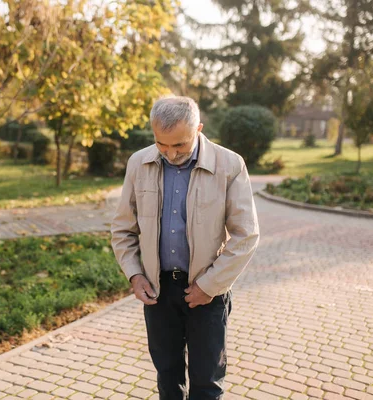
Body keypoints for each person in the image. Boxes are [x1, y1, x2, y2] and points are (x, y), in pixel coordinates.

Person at [110, 96, 260, 400]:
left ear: (199, 129)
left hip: (207, 295)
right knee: (167, 379)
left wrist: (209, 286)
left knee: (207, 385)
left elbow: (247, 235)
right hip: (158, 293)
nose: (169, 153)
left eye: (179, 145)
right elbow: (123, 229)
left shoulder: (229, 165)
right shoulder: (139, 162)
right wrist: (135, 275)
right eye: (161, 144)